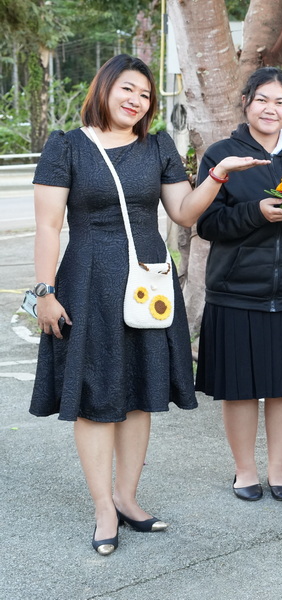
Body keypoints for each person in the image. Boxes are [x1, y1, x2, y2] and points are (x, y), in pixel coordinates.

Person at [29, 54, 266, 555]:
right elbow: (47, 227)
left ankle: (127, 498)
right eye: (128, 89)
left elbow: (183, 212)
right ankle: (103, 508)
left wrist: (217, 175)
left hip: (148, 284)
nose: (136, 100)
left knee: (139, 390)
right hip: (88, 281)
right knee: (95, 397)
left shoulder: (157, 146)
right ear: (104, 88)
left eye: (145, 94)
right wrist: (45, 293)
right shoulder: (66, 146)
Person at [195, 67, 282, 503]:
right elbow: (207, 223)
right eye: (262, 99)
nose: (270, 109)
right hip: (236, 290)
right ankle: (245, 471)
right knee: (239, 388)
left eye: (280, 101)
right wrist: (257, 212)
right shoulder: (222, 155)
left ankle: (278, 470)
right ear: (246, 103)